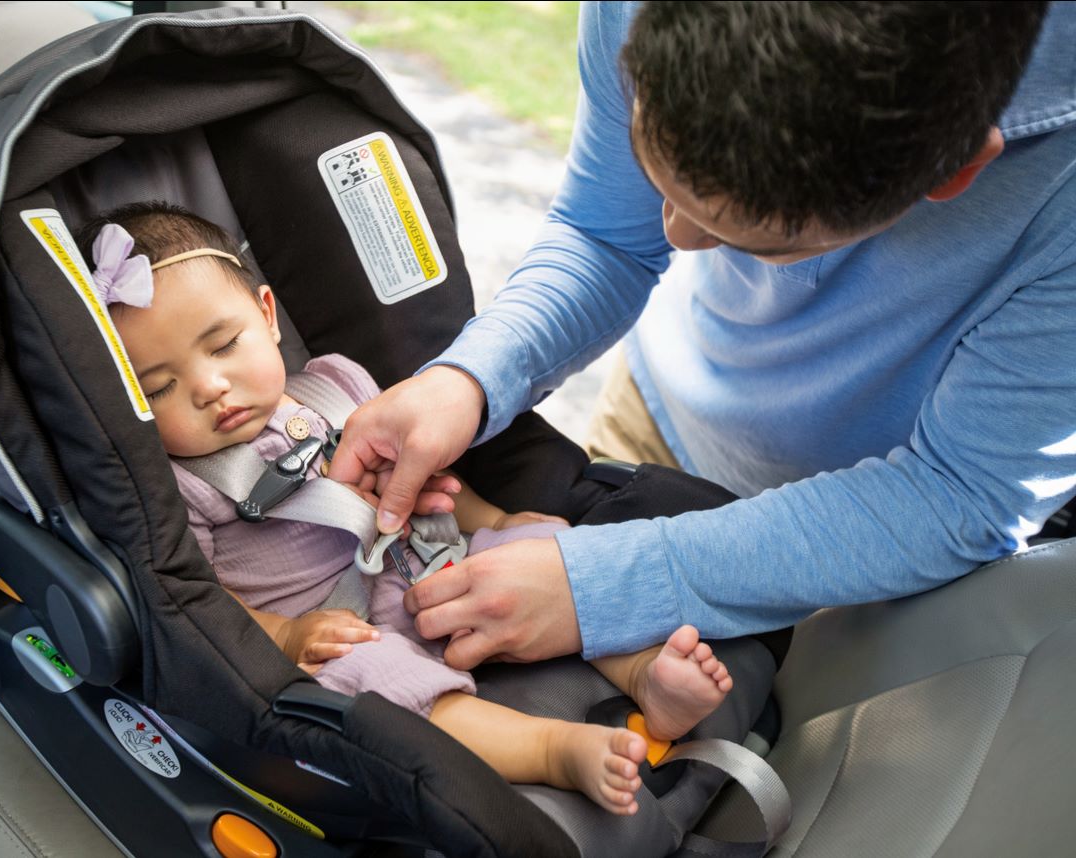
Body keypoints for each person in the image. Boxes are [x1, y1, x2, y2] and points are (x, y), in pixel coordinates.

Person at [327, 1, 1076, 671]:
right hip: (656, 424)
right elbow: (608, 237)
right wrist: (471, 376)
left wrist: (608, 584)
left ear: (957, 170)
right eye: (665, 185)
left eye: (754, 244)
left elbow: (960, 492)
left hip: (866, 561)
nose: (677, 241)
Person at [76, 202, 735, 815]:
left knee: (536, 561)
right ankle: (551, 751)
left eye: (224, 345)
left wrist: (495, 524)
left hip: (431, 564)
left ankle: (645, 673)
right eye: (159, 386)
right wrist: (283, 638)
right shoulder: (180, 486)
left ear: (268, 314)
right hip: (333, 629)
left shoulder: (336, 386)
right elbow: (204, 601)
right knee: (377, 687)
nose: (210, 386)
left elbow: (426, 476)